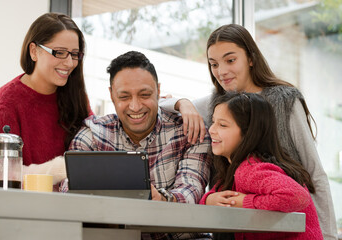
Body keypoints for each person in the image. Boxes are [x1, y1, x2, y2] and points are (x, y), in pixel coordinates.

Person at [160, 23, 337, 239]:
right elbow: (159, 104)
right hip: (237, 228)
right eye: (213, 64)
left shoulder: (285, 100)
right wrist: (183, 103)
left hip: (286, 226)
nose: (221, 71)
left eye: (230, 60)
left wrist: (328, 235)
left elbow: (314, 172)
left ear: (251, 58)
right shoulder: (217, 103)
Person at [69, 51, 212, 240]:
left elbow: (191, 191)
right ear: (111, 95)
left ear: (159, 91)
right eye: (124, 97)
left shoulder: (188, 131)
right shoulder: (92, 135)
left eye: (144, 95)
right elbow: (69, 194)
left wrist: (161, 199)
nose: (135, 106)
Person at [0, 13, 90, 188]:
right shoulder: (5, 104)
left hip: (73, 209)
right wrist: (63, 167)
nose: (69, 63)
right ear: (34, 51)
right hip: (26, 212)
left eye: (75, 54)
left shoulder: (76, 97)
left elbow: (93, 153)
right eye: (59, 52)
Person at [199, 91, 323, 240]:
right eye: (213, 121)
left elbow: (297, 196)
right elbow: (212, 196)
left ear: (248, 133)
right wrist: (209, 199)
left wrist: (244, 202)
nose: (211, 129)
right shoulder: (235, 170)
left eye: (223, 125)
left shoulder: (250, 169)